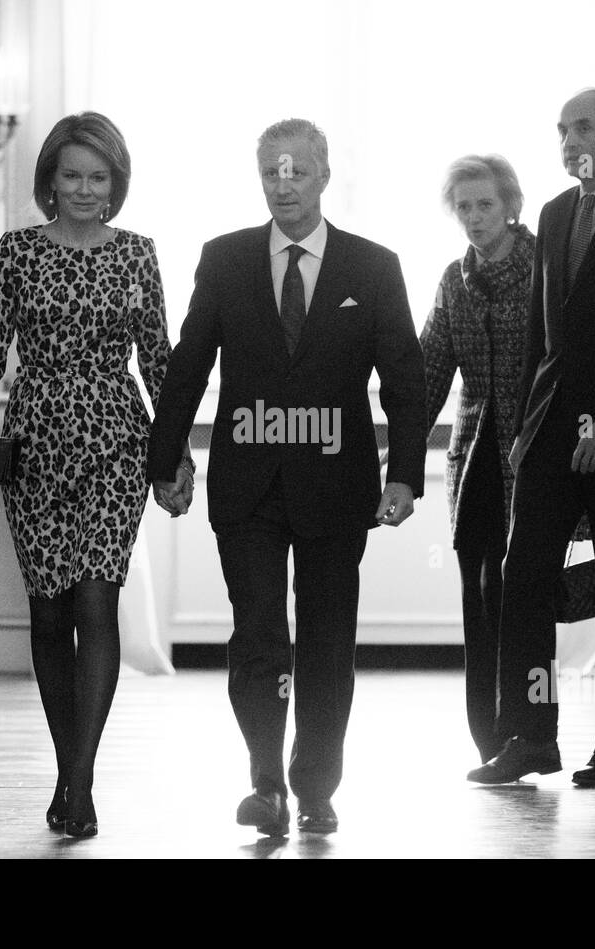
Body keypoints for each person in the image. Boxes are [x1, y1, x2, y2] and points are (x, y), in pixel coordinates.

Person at [147, 118, 426, 836]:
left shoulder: (374, 265)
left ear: (325, 176)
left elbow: (405, 381)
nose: (284, 183)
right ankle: (266, 782)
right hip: (247, 486)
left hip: (339, 486)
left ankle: (317, 784)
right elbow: (188, 365)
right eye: (272, 171)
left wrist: (405, 477)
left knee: (329, 639)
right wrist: (164, 459)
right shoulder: (226, 258)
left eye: (297, 170)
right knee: (260, 634)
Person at [0, 111, 192, 837]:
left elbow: (159, 360)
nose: (86, 189)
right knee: (50, 611)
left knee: (97, 599)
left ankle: (80, 782)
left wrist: (175, 451)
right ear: (50, 181)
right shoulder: (18, 251)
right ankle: (69, 768)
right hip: (34, 441)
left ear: (115, 183)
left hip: (117, 440)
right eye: (72, 176)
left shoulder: (137, 254)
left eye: (99, 177)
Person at [473, 88, 595, 788]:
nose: (569, 138)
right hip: (551, 432)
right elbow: (540, 338)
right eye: (561, 129)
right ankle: (530, 736)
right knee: (521, 579)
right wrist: (526, 431)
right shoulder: (555, 215)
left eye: (582, 125)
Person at [420, 154, 536, 768]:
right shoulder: (452, 278)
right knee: (477, 590)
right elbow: (429, 371)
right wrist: (399, 448)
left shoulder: (545, 266)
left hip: (534, 452)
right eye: (462, 206)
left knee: (518, 591)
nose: (473, 217)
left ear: (511, 205)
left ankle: (526, 733)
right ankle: (488, 737)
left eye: (484, 204)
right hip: (473, 460)